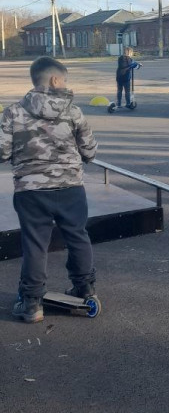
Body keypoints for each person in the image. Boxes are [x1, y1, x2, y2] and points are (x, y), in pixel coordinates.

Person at [0, 57, 98, 323]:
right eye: (64, 79)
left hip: (30, 191)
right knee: (77, 236)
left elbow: (2, 151)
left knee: (35, 244)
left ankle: (32, 303)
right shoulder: (74, 112)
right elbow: (89, 151)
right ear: (55, 80)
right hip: (70, 188)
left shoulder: (12, 113)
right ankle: (85, 289)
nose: (65, 84)